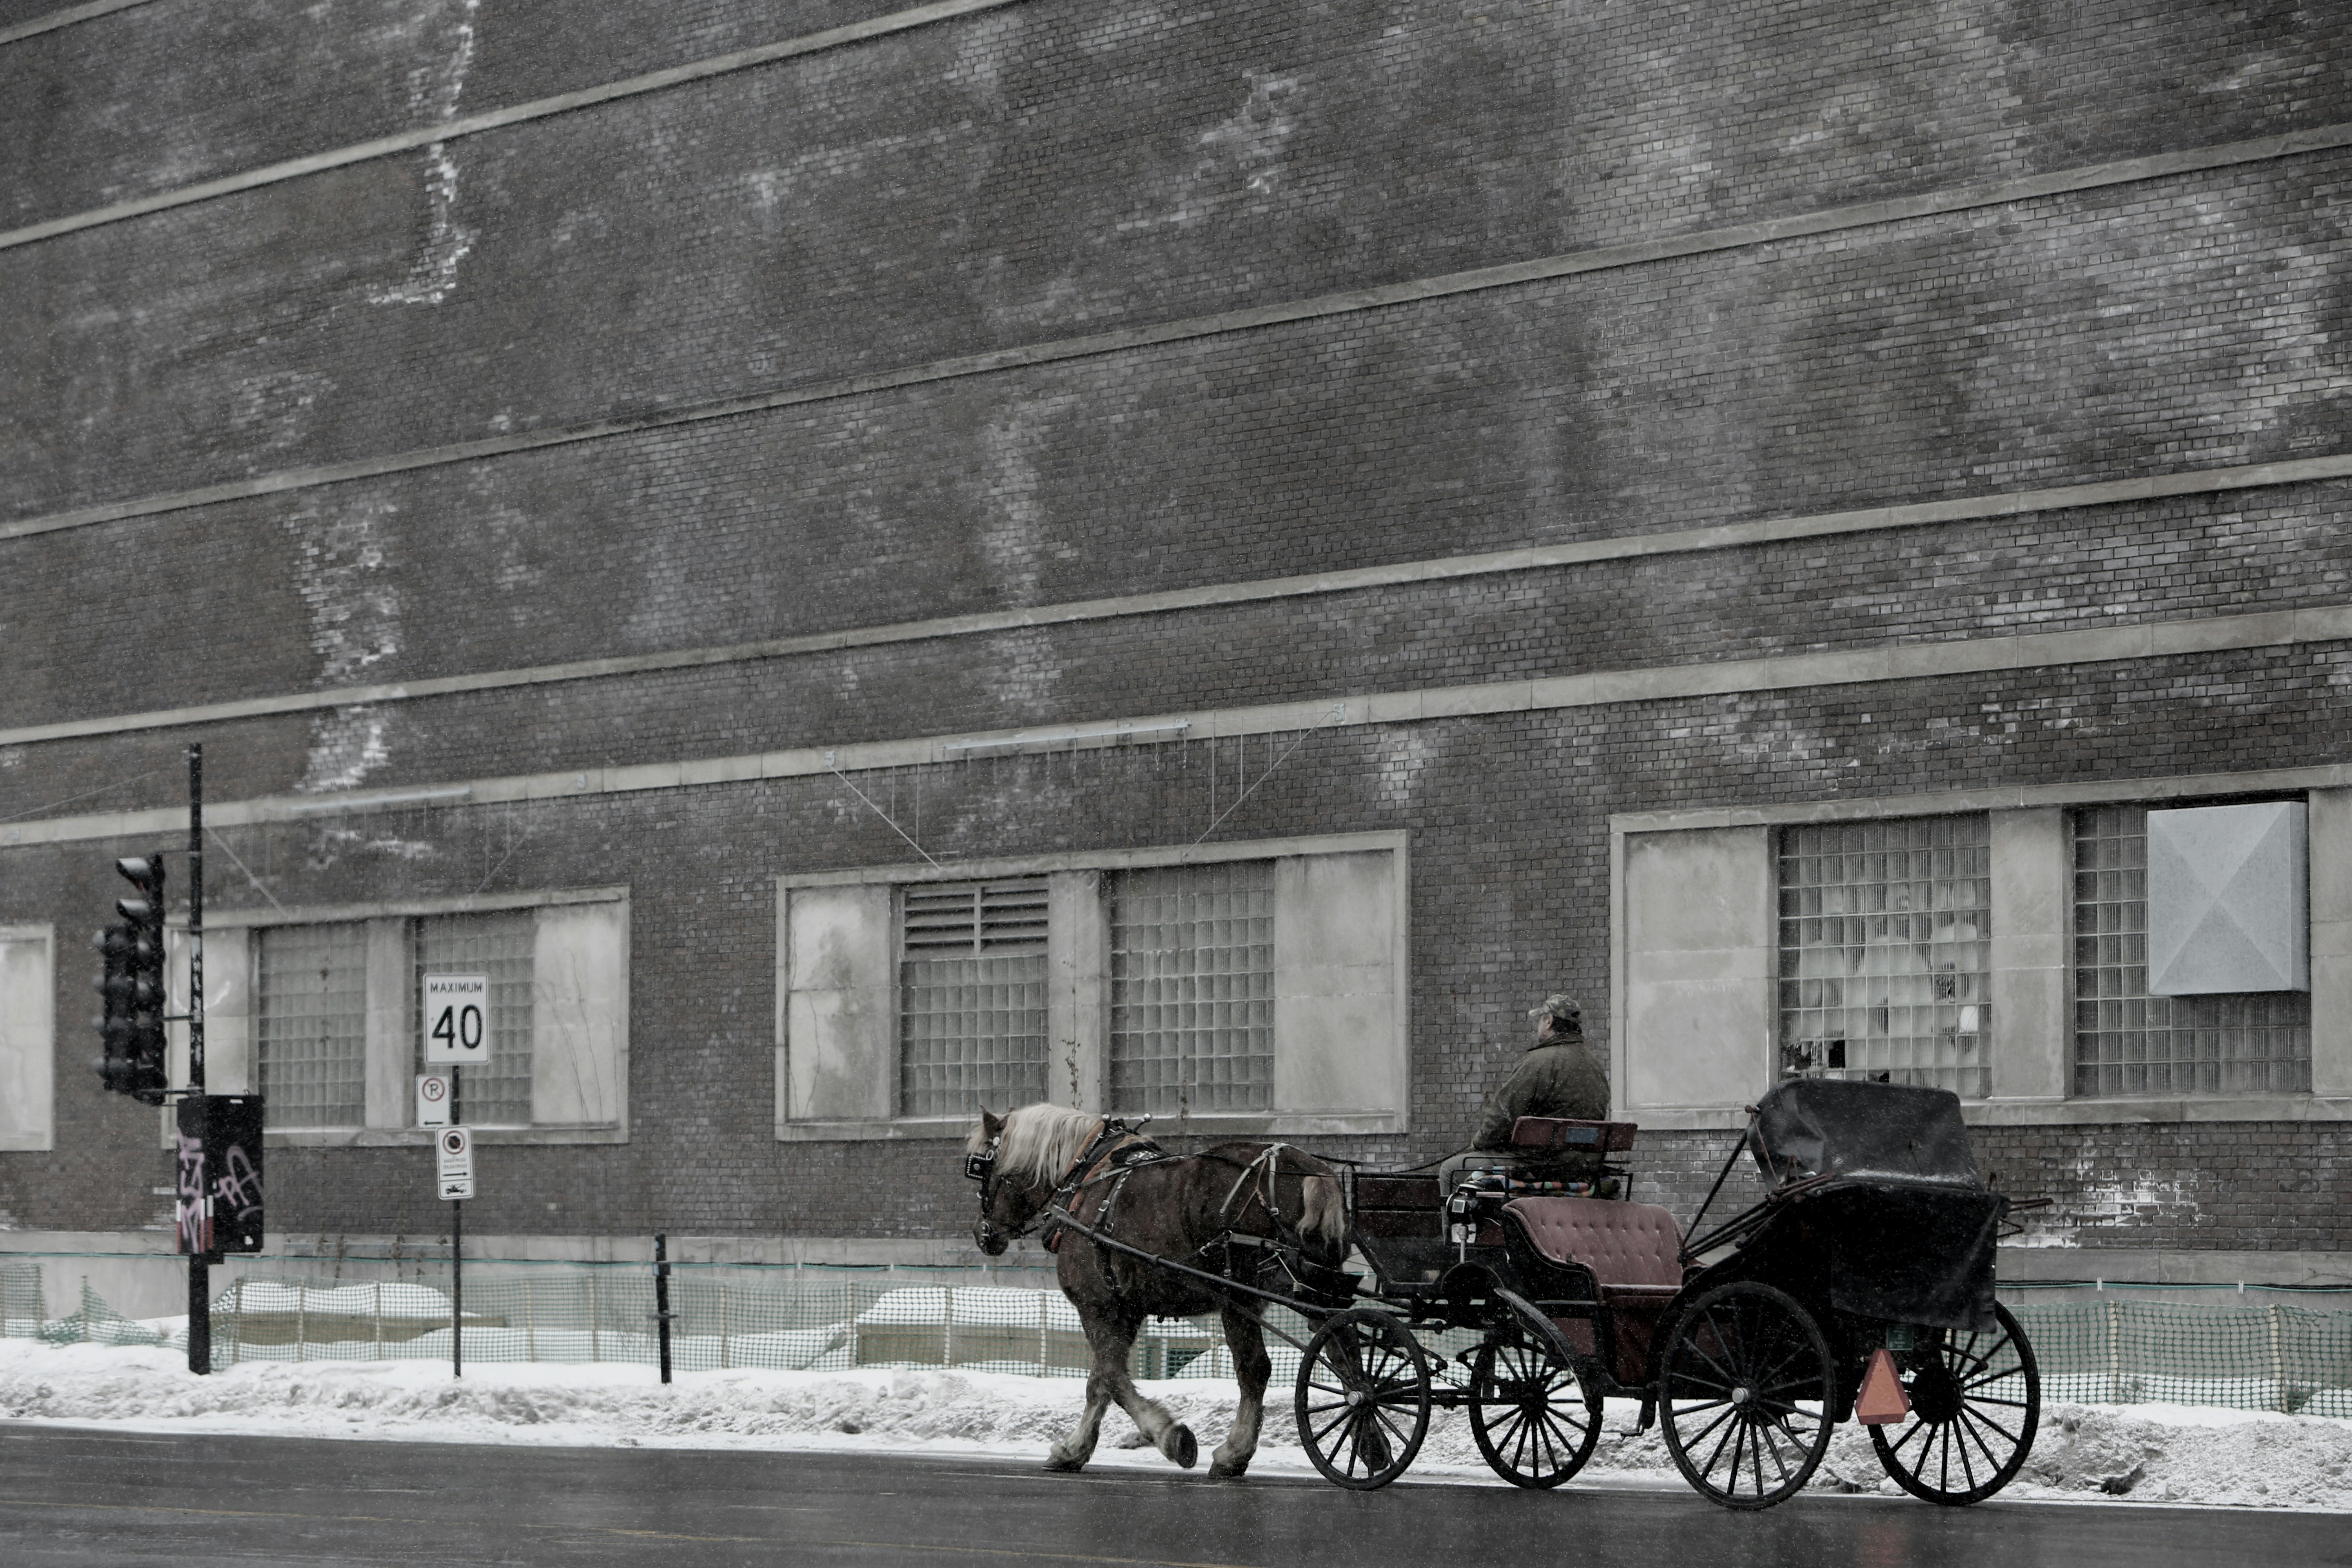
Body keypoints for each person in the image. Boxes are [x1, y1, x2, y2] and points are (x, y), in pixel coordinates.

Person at [1471, 993, 1609, 1152]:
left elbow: (1504, 1113)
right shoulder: (1593, 1063)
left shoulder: (1539, 1061)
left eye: (1541, 1019)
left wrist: (1479, 1143)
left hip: (1542, 1161)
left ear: (1549, 1021)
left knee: (1451, 1168)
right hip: (1586, 1162)